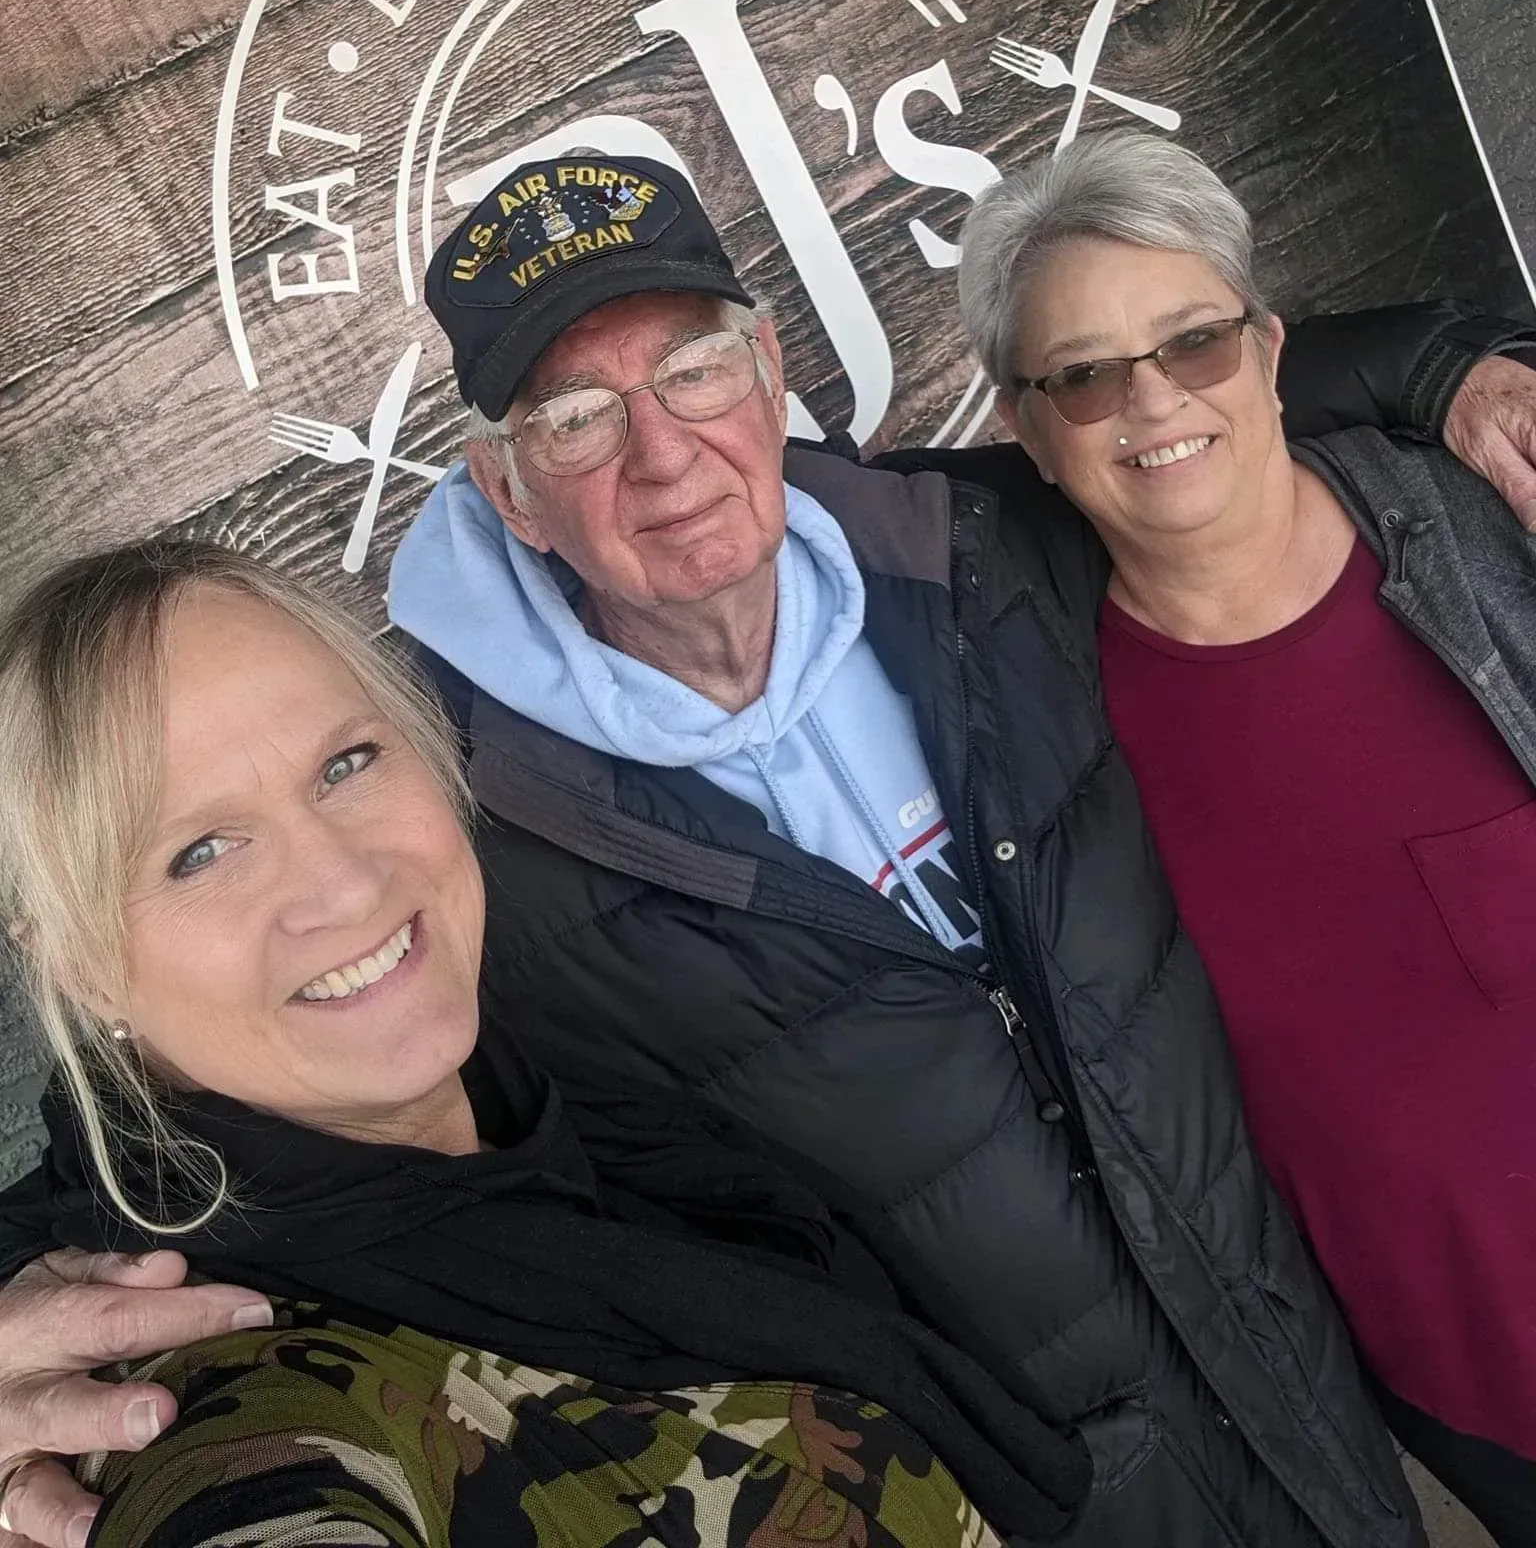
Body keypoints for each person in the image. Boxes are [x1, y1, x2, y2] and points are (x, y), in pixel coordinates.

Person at [5, 150, 1536, 1548]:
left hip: (1300, 1401)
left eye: (693, 369)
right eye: (579, 417)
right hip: (1018, 1489)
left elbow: (1168, 411)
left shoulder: (975, 548)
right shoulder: (454, 816)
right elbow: (257, 1126)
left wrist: (1453, 368)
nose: (662, 455)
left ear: (768, 373)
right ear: (509, 492)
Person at [0, 538, 1092, 1548]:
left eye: (346, 763)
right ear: (79, 964)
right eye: (201, 851)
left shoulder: (570, 1106)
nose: (341, 879)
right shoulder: (191, 1382)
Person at [954, 126, 1536, 1548]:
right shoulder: (1042, 731)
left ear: (1272, 353)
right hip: (1466, 1401)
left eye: (1196, 344)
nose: (1153, 400)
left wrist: (1443, 358)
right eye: (1086, 373)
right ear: (1024, 430)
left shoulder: (1495, 525)